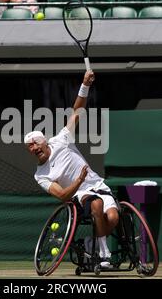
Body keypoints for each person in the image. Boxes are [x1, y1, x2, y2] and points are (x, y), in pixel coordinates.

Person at [25, 70, 119, 268]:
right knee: (96, 205)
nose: (33, 148)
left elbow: (78, 111)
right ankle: (104, 253)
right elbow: (62, 195)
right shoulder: (40, 175)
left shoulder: (61, 140)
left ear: (43, 141)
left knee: (113, 217)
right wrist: (78, 181)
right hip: (79, 194)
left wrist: (85, 84)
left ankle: (91, 243)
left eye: (35, 143)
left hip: (98, 184)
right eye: (29, 147)